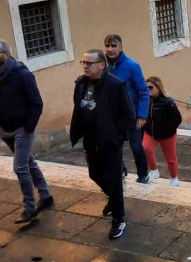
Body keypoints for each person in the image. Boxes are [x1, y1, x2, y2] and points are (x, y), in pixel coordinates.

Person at [70, 48, 135, 239]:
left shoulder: (115, 85)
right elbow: (77, 107)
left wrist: (118, 137)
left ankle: (118, 220)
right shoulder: (80, 83)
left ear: (101, 65)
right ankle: (114, 199)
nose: (85, 66)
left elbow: (128, 115)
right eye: (83, 63)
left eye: (89, 63)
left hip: (110, 142)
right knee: (94, 174)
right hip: (90, 139)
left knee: (114, 181)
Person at [0, 39, 52, 224]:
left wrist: (29, 128)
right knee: (28, 162)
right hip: (4, 128)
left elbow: (37, 103)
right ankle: (45, 194)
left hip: (23, 129)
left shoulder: (22, 74)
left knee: (20, 167)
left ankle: (29, 208)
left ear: (7, 55)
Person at [103, 34, 150, 184]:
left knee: (136, 146)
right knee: (114, 145)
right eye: (107, 46)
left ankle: (143, 174)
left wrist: (142, 116)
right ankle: (120, 171)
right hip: (113, 116)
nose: (110, 49)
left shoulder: (132, 66)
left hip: (132, 115)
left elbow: (144, 92)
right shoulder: (102, 66)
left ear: (120, 47)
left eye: (114, 46)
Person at [142, 76, 182, 186]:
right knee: (146, 148)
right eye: (146, 88)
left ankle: (174, 178)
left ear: (158, 88)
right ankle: (154, 170)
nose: (148, 90)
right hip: (151, 133)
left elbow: (177, 119)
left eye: (151, 87)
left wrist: (168, 131)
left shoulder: (168, 102)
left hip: (168, 135)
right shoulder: (145, 100)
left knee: (171, 159)